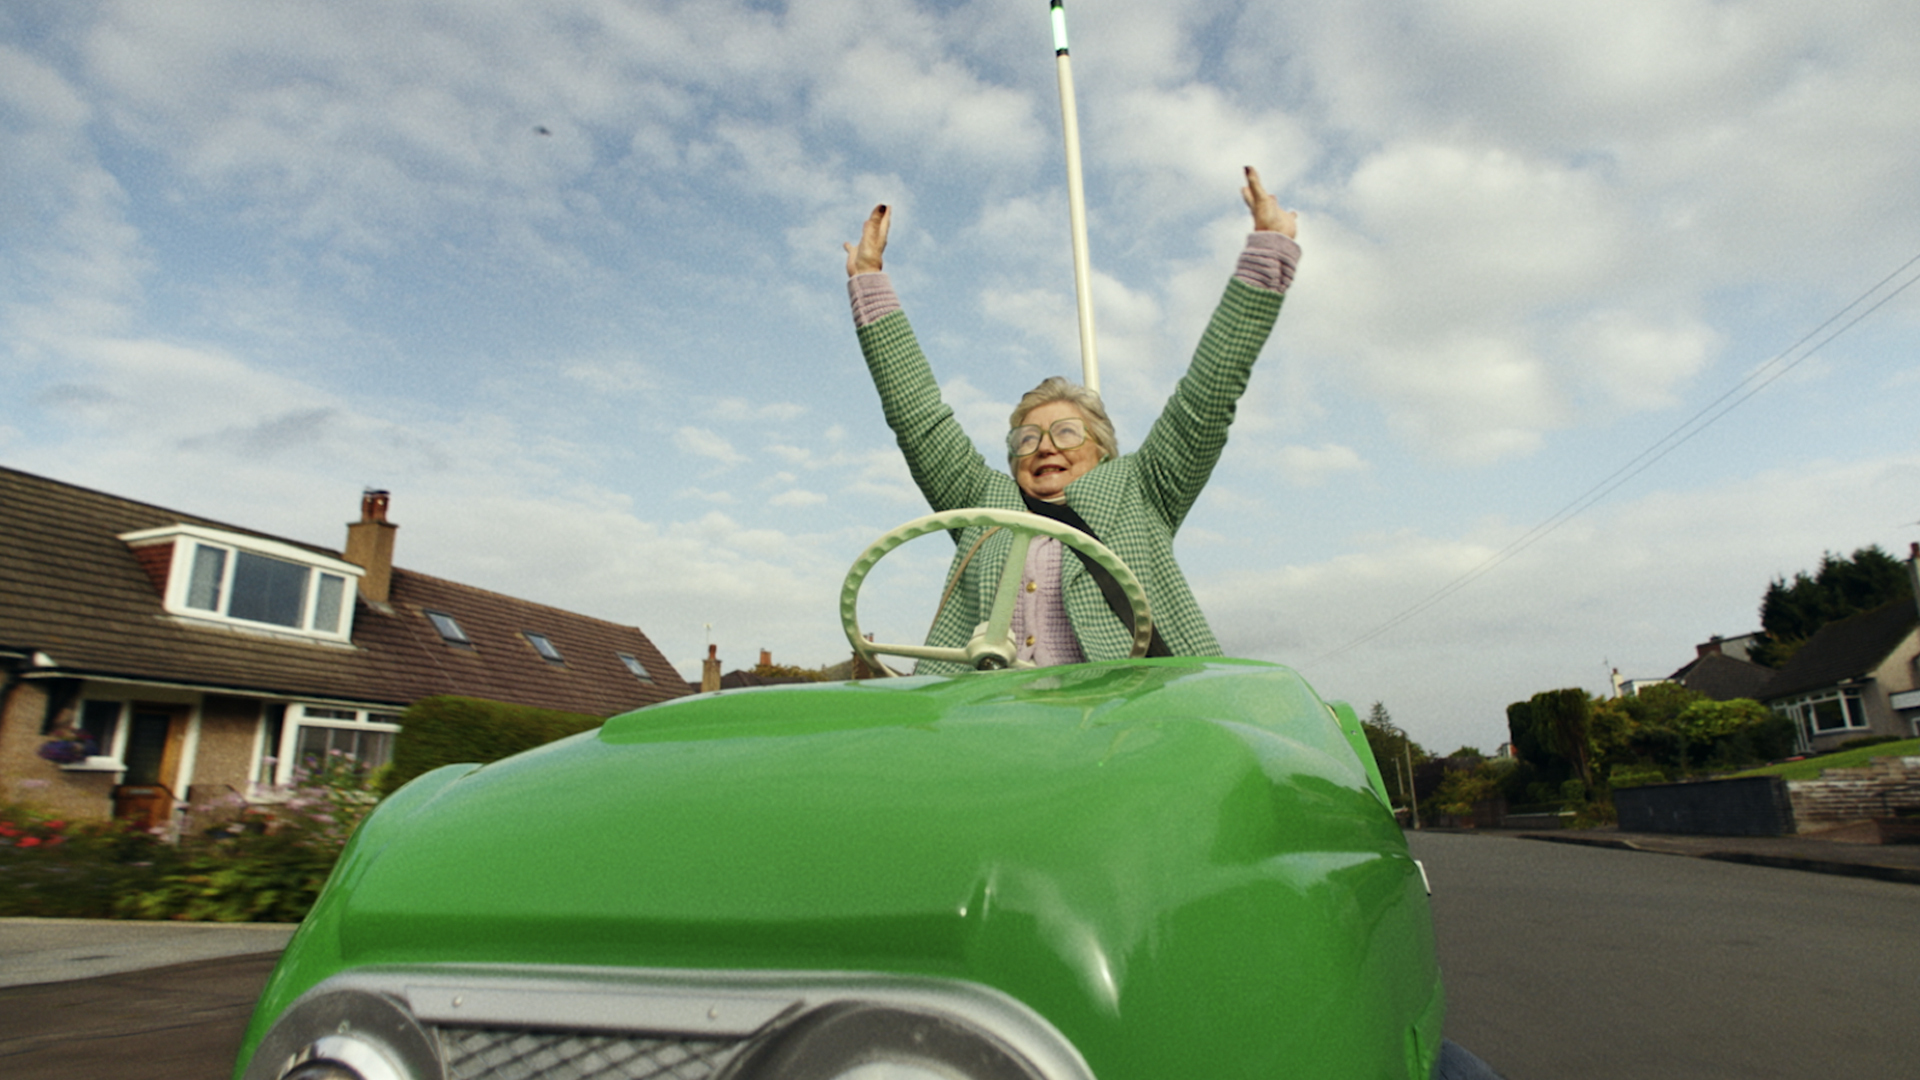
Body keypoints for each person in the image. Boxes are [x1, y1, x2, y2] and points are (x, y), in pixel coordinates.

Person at [845, 166, 1299, 672]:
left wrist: (1269, 252)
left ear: (1101, 449)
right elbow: (918, 414)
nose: (1044, 447)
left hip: (1121, 716)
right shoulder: (980, 503)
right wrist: (869, 278)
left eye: (1065, 433)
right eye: (1028, 438)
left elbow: (1208, 394)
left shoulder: (1143, 490)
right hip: (986, 718)